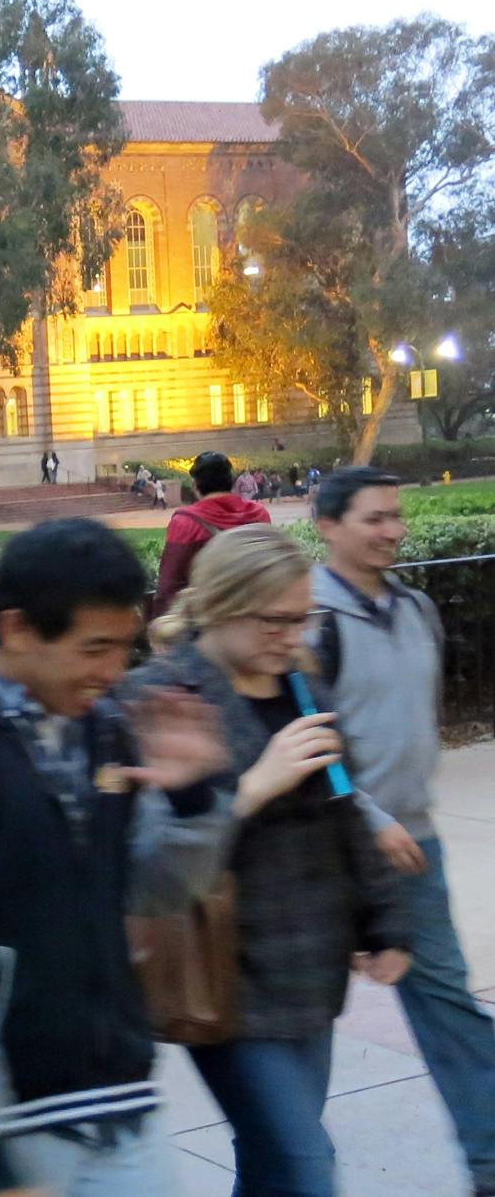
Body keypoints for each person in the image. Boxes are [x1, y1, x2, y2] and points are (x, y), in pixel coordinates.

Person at [0, 518, 319, 1195]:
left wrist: (194, 798)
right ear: (17, 629)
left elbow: (151, 891)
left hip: (113, 1095)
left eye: (124, 645)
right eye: (94, 647)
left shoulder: (103, 730)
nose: (114, 670)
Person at [135, 525, 408, 1196]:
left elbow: (346, 807)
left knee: (273, 1160)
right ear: (222, 605)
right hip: (222, 976)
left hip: (307, 967)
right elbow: (152, 859)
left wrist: (385, 923)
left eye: (302, 617)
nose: (293, 635)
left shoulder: (304, 688)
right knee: (305, 1165)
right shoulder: (166, 696)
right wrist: (255, 783)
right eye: (275, 620)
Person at [311, 468, 495, 1197]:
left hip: (415, 847)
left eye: (396, 515)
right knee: (299, 1030)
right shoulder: (308, 620)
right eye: (373, 518)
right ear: (328, 526)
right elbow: (306, 745)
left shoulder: (418, 606)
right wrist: (365, 814)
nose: (392, 530)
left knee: (448, 1006)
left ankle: (489, 1161)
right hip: (328, 856)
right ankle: (288, 1167)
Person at [151, 450, 272, 619]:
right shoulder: (259, 514)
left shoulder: (185, 522)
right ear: (230, 481)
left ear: (195, 485)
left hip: (210, 621)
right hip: (257, 615)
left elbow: (171, 581)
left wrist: (160, 623)